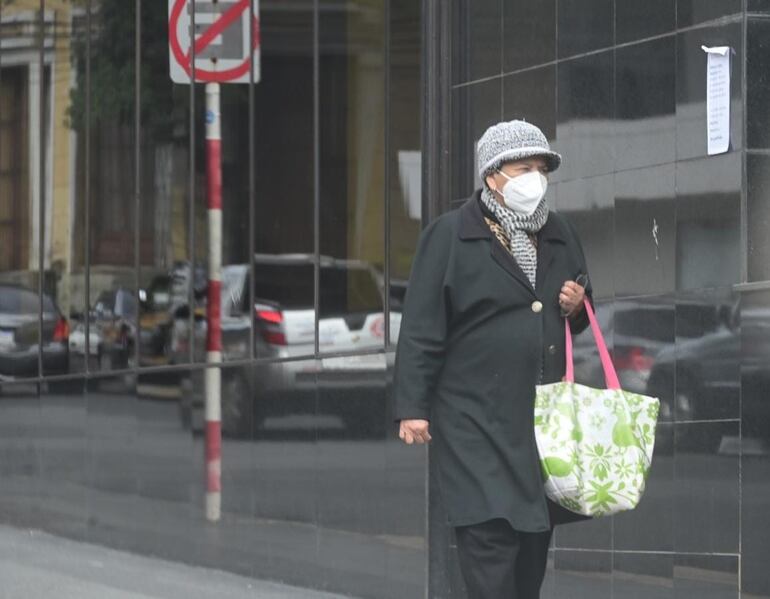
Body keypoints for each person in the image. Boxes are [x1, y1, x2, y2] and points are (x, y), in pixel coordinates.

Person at [392, 120, 592, 598]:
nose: (535, 179)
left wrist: (576, 305)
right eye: (524, 168)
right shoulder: (449, 237)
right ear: (492, 177)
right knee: (489, 542)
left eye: (541, 169)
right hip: (474, 422)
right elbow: (421, 328)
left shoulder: (560, 233)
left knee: (530, 552)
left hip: (541, 424)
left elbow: (583, 314)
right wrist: (413, 406)